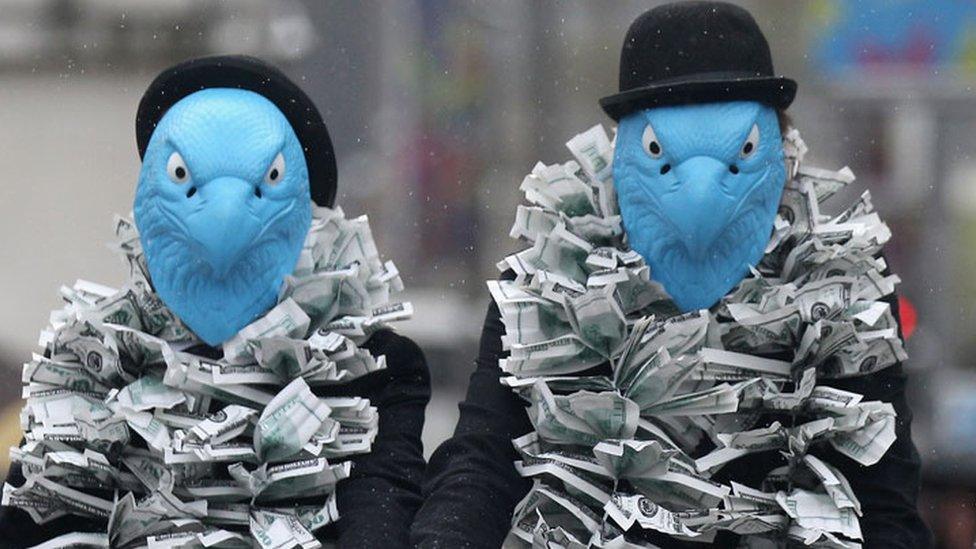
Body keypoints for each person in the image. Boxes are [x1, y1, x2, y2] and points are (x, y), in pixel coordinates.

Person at [411, 3, 930, 548]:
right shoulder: (547, 284)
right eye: (661, 149)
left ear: (779, 145)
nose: (701, 193)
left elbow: (880, 500)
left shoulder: (844, 293)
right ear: (622, 151)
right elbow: (484, 459)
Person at [0, 55, 429, 548]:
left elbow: (379, 512)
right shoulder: (89, 368)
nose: (224, 215)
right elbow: (34, 524)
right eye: (185, 175)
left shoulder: (372, 368)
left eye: (264, 180)